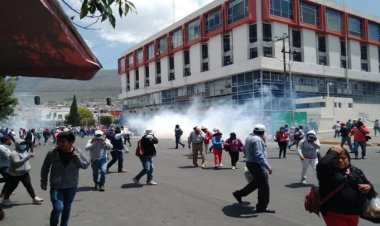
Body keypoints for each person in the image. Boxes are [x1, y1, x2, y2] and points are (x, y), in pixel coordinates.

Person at [317, 146, 377, 226]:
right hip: (334, 214)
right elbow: (322, 164)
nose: (340, 160)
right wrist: (333, 153)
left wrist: (369, 188)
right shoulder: (327, 172)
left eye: (343, 157)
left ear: (348, 159)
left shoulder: (356, 171)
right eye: (336, 158)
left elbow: (371, 190)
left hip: (354, 214)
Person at [40, 131, 89, 226]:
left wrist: (76, 156)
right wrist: (43, 181)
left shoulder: (78, 151)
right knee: (58, 208)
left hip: (71, 186)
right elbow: (45, 167)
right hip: (56, 186)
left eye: (63, 141)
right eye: (58, 141)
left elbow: (85, 165)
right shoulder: (52, 152)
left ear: (71, 142)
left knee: (67, 207)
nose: (60, 144)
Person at [232, 124, 275, 213]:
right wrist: (268, 167)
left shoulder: (249, 137)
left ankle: (239, 194)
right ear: (263, 132)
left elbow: (244, 150)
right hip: (256, 165)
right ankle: (262, 207)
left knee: (257, 183)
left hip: (250, 163)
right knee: (264, 187)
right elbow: (259, 155)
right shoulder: (258, 140)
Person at [2, 138, 43, 206]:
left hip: (24, 173)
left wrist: (28, 163)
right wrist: (28, 156)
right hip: (15, 174)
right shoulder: (14, 153)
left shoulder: (24, 151)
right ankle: (5, 199)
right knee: (12, 186)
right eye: (21, 144)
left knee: (28, 185)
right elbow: (17, 163)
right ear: (17, 145)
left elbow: (25, 161)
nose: (23, 145)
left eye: (24, 143)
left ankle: (34, 198)